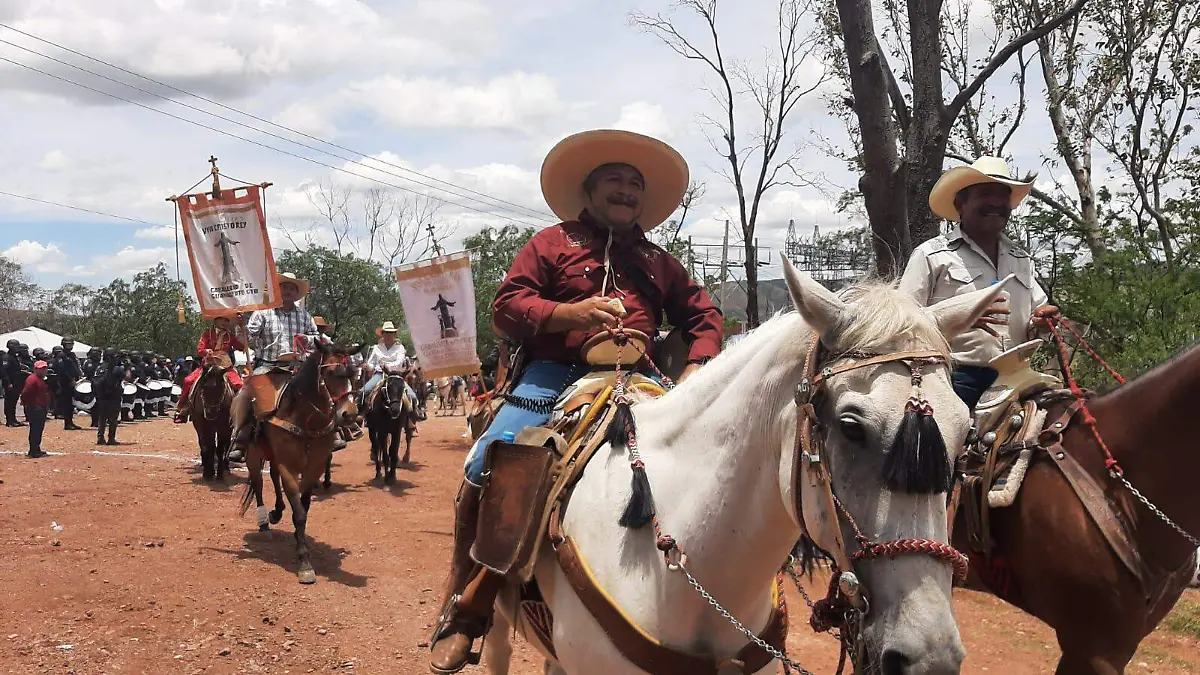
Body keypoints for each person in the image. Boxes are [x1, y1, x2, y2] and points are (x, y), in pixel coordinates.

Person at [427, 129, 724, 673]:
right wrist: (570, 314)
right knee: (487, 460)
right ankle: (467, 606)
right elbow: (508, 306)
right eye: (615, 179)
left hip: (640, 375)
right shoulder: (549, 243)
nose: (627, 190)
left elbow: (703, 317)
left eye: (635, 184)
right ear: (589, 190)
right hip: (552, 376)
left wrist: (699, 366)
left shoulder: (660, 262)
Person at [898, 156, 1062, 409]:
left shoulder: (1020, 258)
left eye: (1003, 196)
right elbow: (902, 323)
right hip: (954, 378)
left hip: (1018, 376)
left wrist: (1041, 321)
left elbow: (1033, 319)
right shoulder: (931, 255)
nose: (996, 202)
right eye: (986, 194)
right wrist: (955, 318)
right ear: (960, 204)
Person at [227, 272, 326, 463]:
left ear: (297, 293)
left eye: (291, 288)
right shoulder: (263, 313)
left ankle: (331, 433)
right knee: (245, 394)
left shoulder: (304, 316)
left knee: (324, 390)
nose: (287, 291)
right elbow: (249, 338)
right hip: (268, 367)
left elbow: (318, 339)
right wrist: (240, 325)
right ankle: (240, 438)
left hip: (297, 368)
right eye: (284, 287)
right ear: (277, 290)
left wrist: (308, 339)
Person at [174, 312, 246, 423]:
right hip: (208, 364)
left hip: (225, 366)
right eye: (222, 319)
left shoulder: (230, 335)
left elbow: (241, 347)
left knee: (239, 385)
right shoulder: (207, 334)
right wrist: (205, 351)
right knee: (188, 381)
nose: (224, 322)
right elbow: (200, 349)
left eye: (226, 320)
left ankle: (240, 413)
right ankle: (183, 408)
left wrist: (242, 330)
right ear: (215, 320)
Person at [93, 348, 124, 445]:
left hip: (101, 397)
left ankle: (100, 437)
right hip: (113, 396)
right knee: (113, 419)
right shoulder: (116, 369)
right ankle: (111, 438)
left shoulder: (99, 368)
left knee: (102, 418)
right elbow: (126, 376)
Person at [20, 360, 51, 458]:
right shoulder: (33, 379)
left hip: (39, 407)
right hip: (35, 407)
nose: (44, 370)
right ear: (35, 369)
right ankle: (33, 451)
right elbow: (25, 392)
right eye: (41, 369)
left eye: (45, 368)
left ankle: (36, 449)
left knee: (38, 429)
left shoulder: (39, 379)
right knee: (35, 429)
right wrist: (27, 403)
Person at [55, 337, 84, 430]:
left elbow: (75, 367)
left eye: (71, 344)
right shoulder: (61, 355)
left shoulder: (72, 355)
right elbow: (62, 369)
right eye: (68, 344)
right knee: (67, 403)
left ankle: (71, 421)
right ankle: (67, 423)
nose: (70, 346)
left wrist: (79, 376)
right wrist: (70, 379)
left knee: (71, 404)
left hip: (74, 381)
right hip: (65, 383)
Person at [3, 339, 24, 427]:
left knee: (13, 402)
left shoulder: (14, 357)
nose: (17, 348)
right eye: (15, 347)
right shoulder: (6, 357)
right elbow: (4, 371)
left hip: (16, 383)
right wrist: (8, 383)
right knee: (9, 402)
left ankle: (13, 419)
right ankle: (9, 421)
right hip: (10, 383)